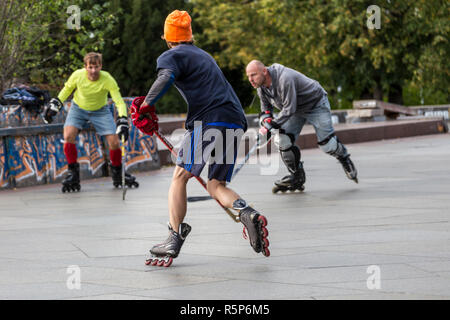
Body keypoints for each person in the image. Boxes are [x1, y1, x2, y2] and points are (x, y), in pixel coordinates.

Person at [131, 10, 270, 266]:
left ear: (168, 38)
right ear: (189, 35)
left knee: (179, 176)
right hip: (234, 120)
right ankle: (247, 213)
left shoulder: (171, 54)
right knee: (216, 184)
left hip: (208, 121)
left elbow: (165, 77)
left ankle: (173, 237)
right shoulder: (203, 55)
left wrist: (146, 106)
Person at [245, 60, 358, 193]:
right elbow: (266, 109)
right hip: (295, 110)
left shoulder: (284, 78)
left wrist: (272, 125)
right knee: (282, 140)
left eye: (253, 75)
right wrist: (266, 121)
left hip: (315, 104)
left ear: (264, 71)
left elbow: (289, 109)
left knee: (327, 145)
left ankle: (343, 156)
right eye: (248, 76)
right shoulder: (261, 86)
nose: (251, 80)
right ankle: (296, 176)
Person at [43, 52, 138, 192]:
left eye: (97, 67)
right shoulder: (78, 75)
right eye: (90, 67)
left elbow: (119, 101)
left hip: (101, 110)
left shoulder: (107, 79)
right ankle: (73, 174)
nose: (93, 71)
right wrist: (55, 106)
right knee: (68, 135)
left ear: (101, 66)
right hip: (78, 108)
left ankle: (118, 174)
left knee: (114, 141)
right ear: (85, 67)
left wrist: (123, 119)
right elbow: (66, 89)